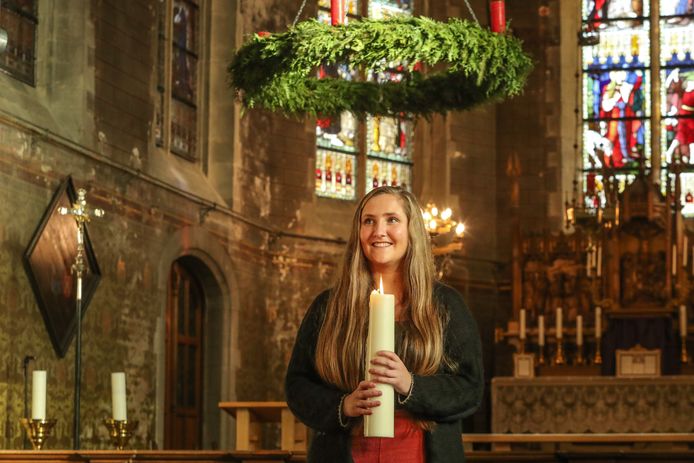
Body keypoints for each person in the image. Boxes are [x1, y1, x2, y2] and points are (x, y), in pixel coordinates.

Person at [285, 186, 484, 462]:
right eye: (369, 221)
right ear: (359, 233)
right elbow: (297, 386)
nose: (379, 231)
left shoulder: (446, 304)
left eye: (392, 220)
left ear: (411, 229)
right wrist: (343, 406)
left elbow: (470, 388)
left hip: (419, 451)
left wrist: (411, 386)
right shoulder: (328, 306)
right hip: (347, 450)